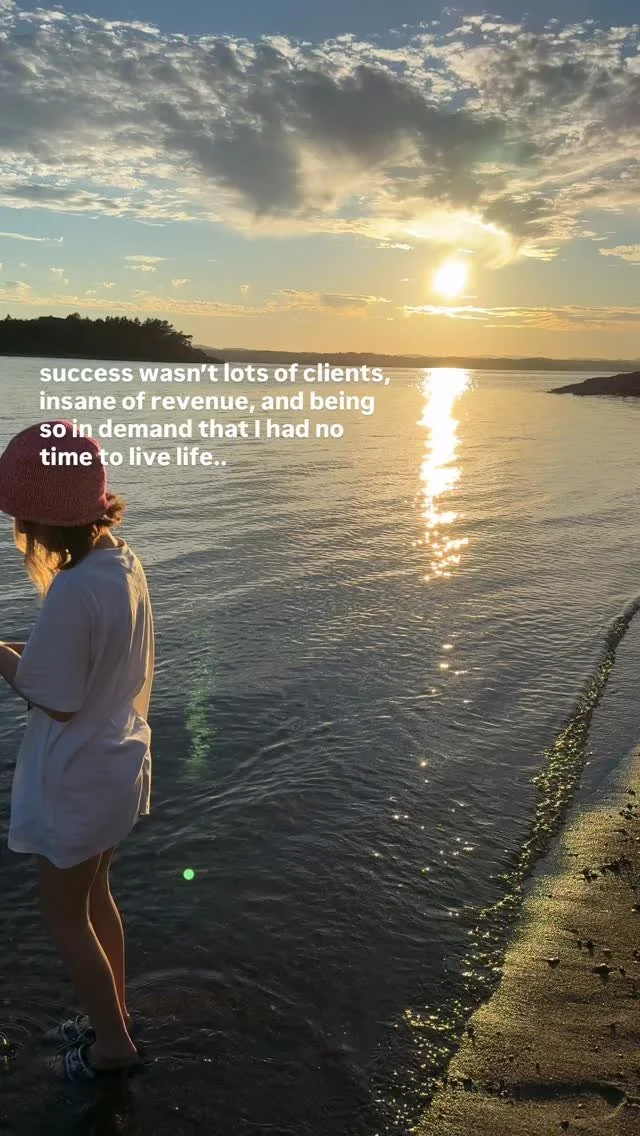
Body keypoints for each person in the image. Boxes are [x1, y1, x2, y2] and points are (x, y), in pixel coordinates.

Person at [0, 420, 154, 1083]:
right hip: (117, 763)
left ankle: (113, 1048)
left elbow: (56, 698)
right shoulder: (120, 561)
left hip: (77, 777)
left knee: (63, 917)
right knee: (96, 900)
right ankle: (114, 1014)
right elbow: (84, 665)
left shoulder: (74, 588)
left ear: (40, 516)